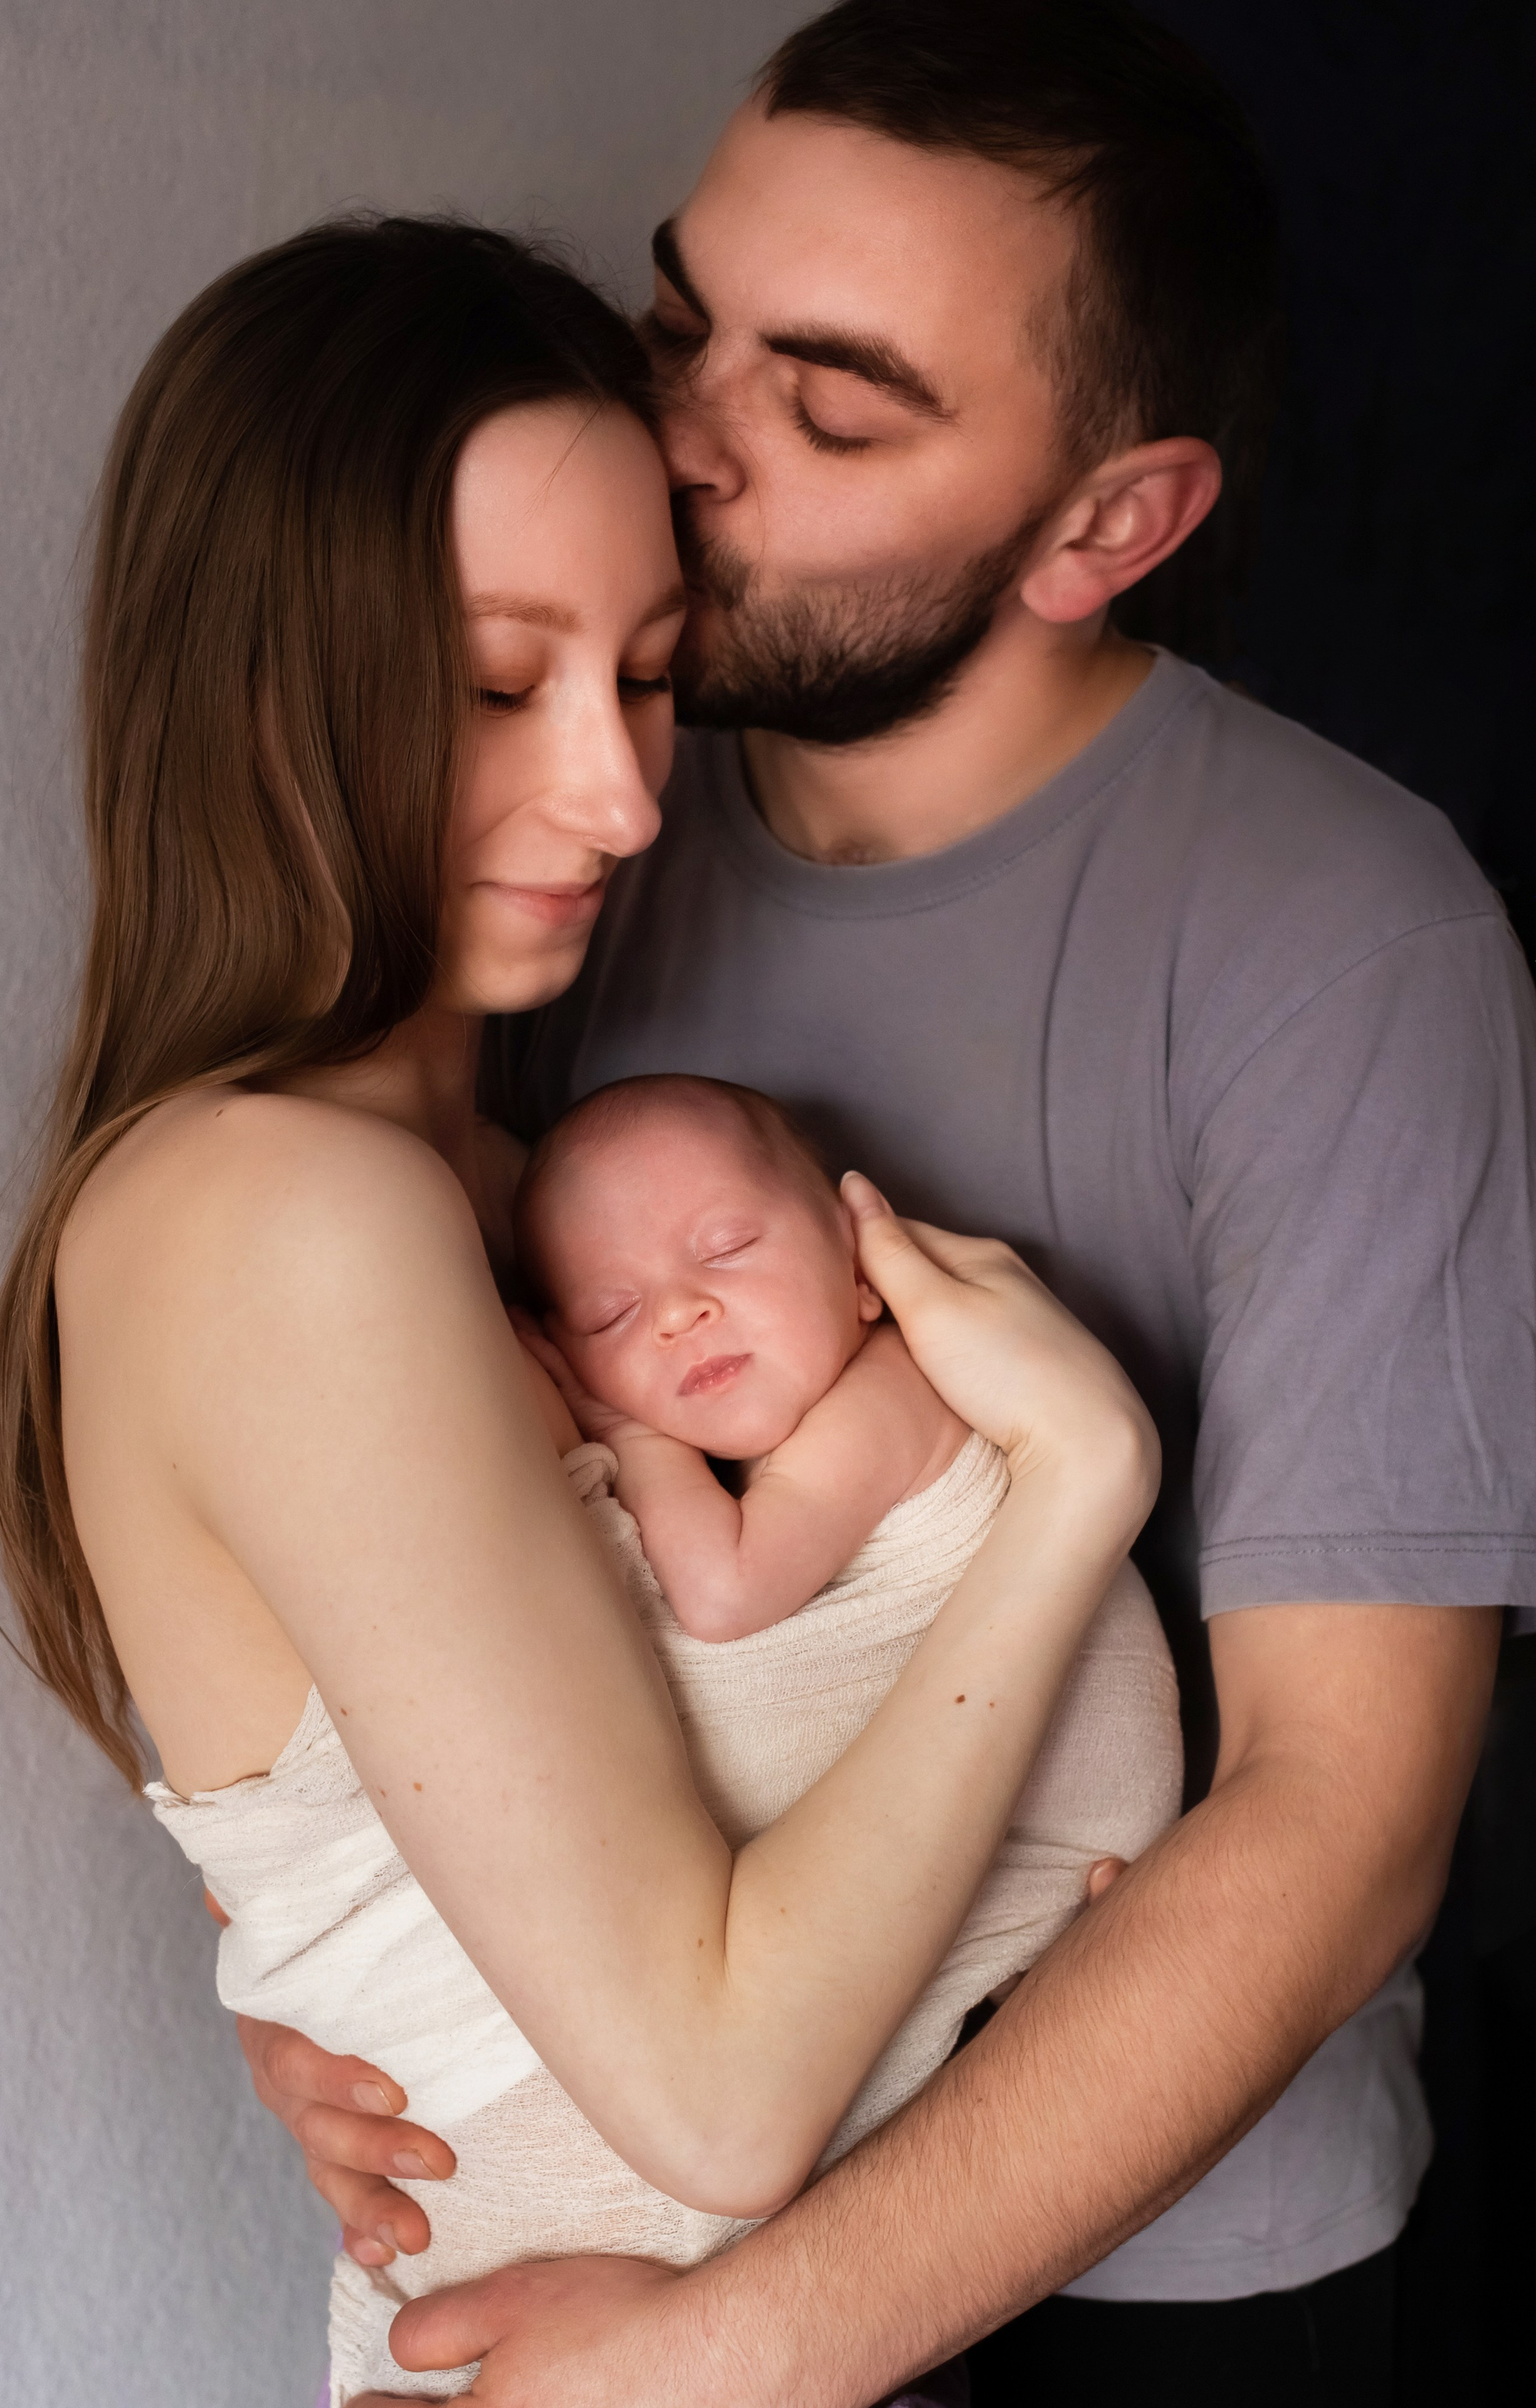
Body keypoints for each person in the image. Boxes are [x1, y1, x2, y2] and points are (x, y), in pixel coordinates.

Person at [257, 6, 1533, 2402]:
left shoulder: (1346, 935)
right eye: (675, 328)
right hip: (647, 2175)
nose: (683, 442)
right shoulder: (562, 846)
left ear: (1105, 522)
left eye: (829, 409)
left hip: (1163, 2278)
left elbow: (1342, 1817)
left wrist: (745, 2348)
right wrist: (314, 1983)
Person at [0, 212, 1165, 2408]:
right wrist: (1080, 1481)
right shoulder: (280, 1216)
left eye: (648, 671)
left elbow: (503, 1853)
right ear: (262, 686)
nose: (620, 797)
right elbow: (714, 2093)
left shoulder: (518, 1194)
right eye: (503, 685)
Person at [513, 1073, 974, 1639]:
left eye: (728, 1248)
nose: (677, 1315)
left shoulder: (894, 1394)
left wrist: (628, 1435)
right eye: (613, 1314)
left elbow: (723, 1596)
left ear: (858, 1262)